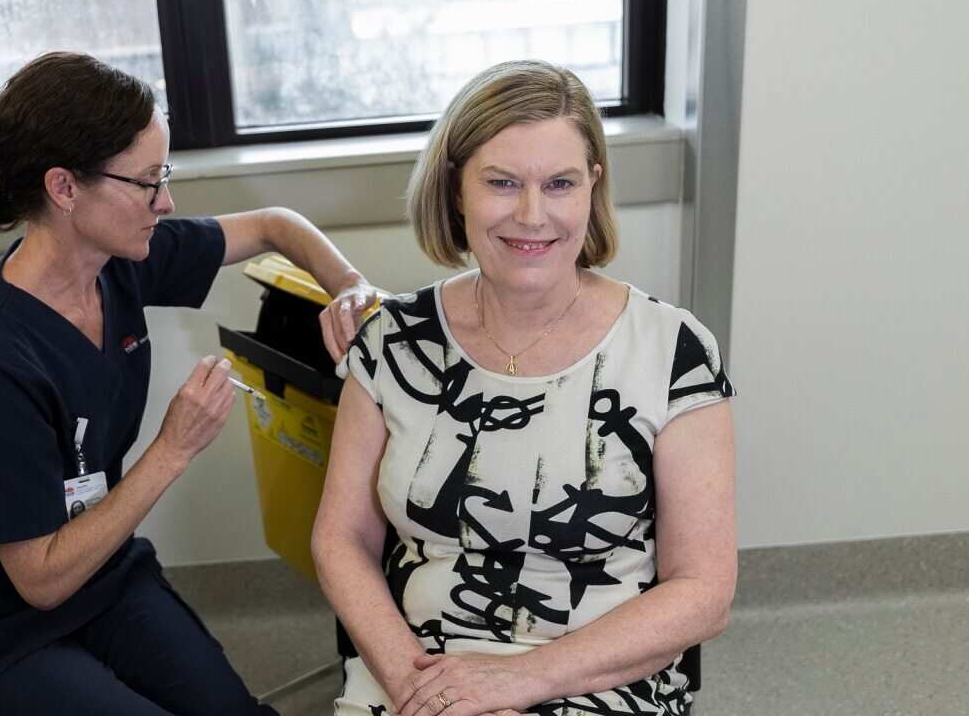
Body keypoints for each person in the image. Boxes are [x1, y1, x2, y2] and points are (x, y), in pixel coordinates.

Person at [0, 51, 375, 716]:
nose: (167, 201)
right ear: (65, 189)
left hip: (102, 576)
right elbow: (38, 580)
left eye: (167, 175)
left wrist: (351, 286)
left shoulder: (121, 262)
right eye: (148, 182)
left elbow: (277, 227)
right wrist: (172, 450)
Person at [312, 60, 737, 716]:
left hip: (603, 671)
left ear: (593, 187)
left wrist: (516, 681)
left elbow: (705, 590)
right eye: (502, 183)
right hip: (421, 666)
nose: (532, 215)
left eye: (560, 183)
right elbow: (341, 539)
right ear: (457, 189)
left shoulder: (673, 351)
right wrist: (418, 687)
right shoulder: (393, 341)